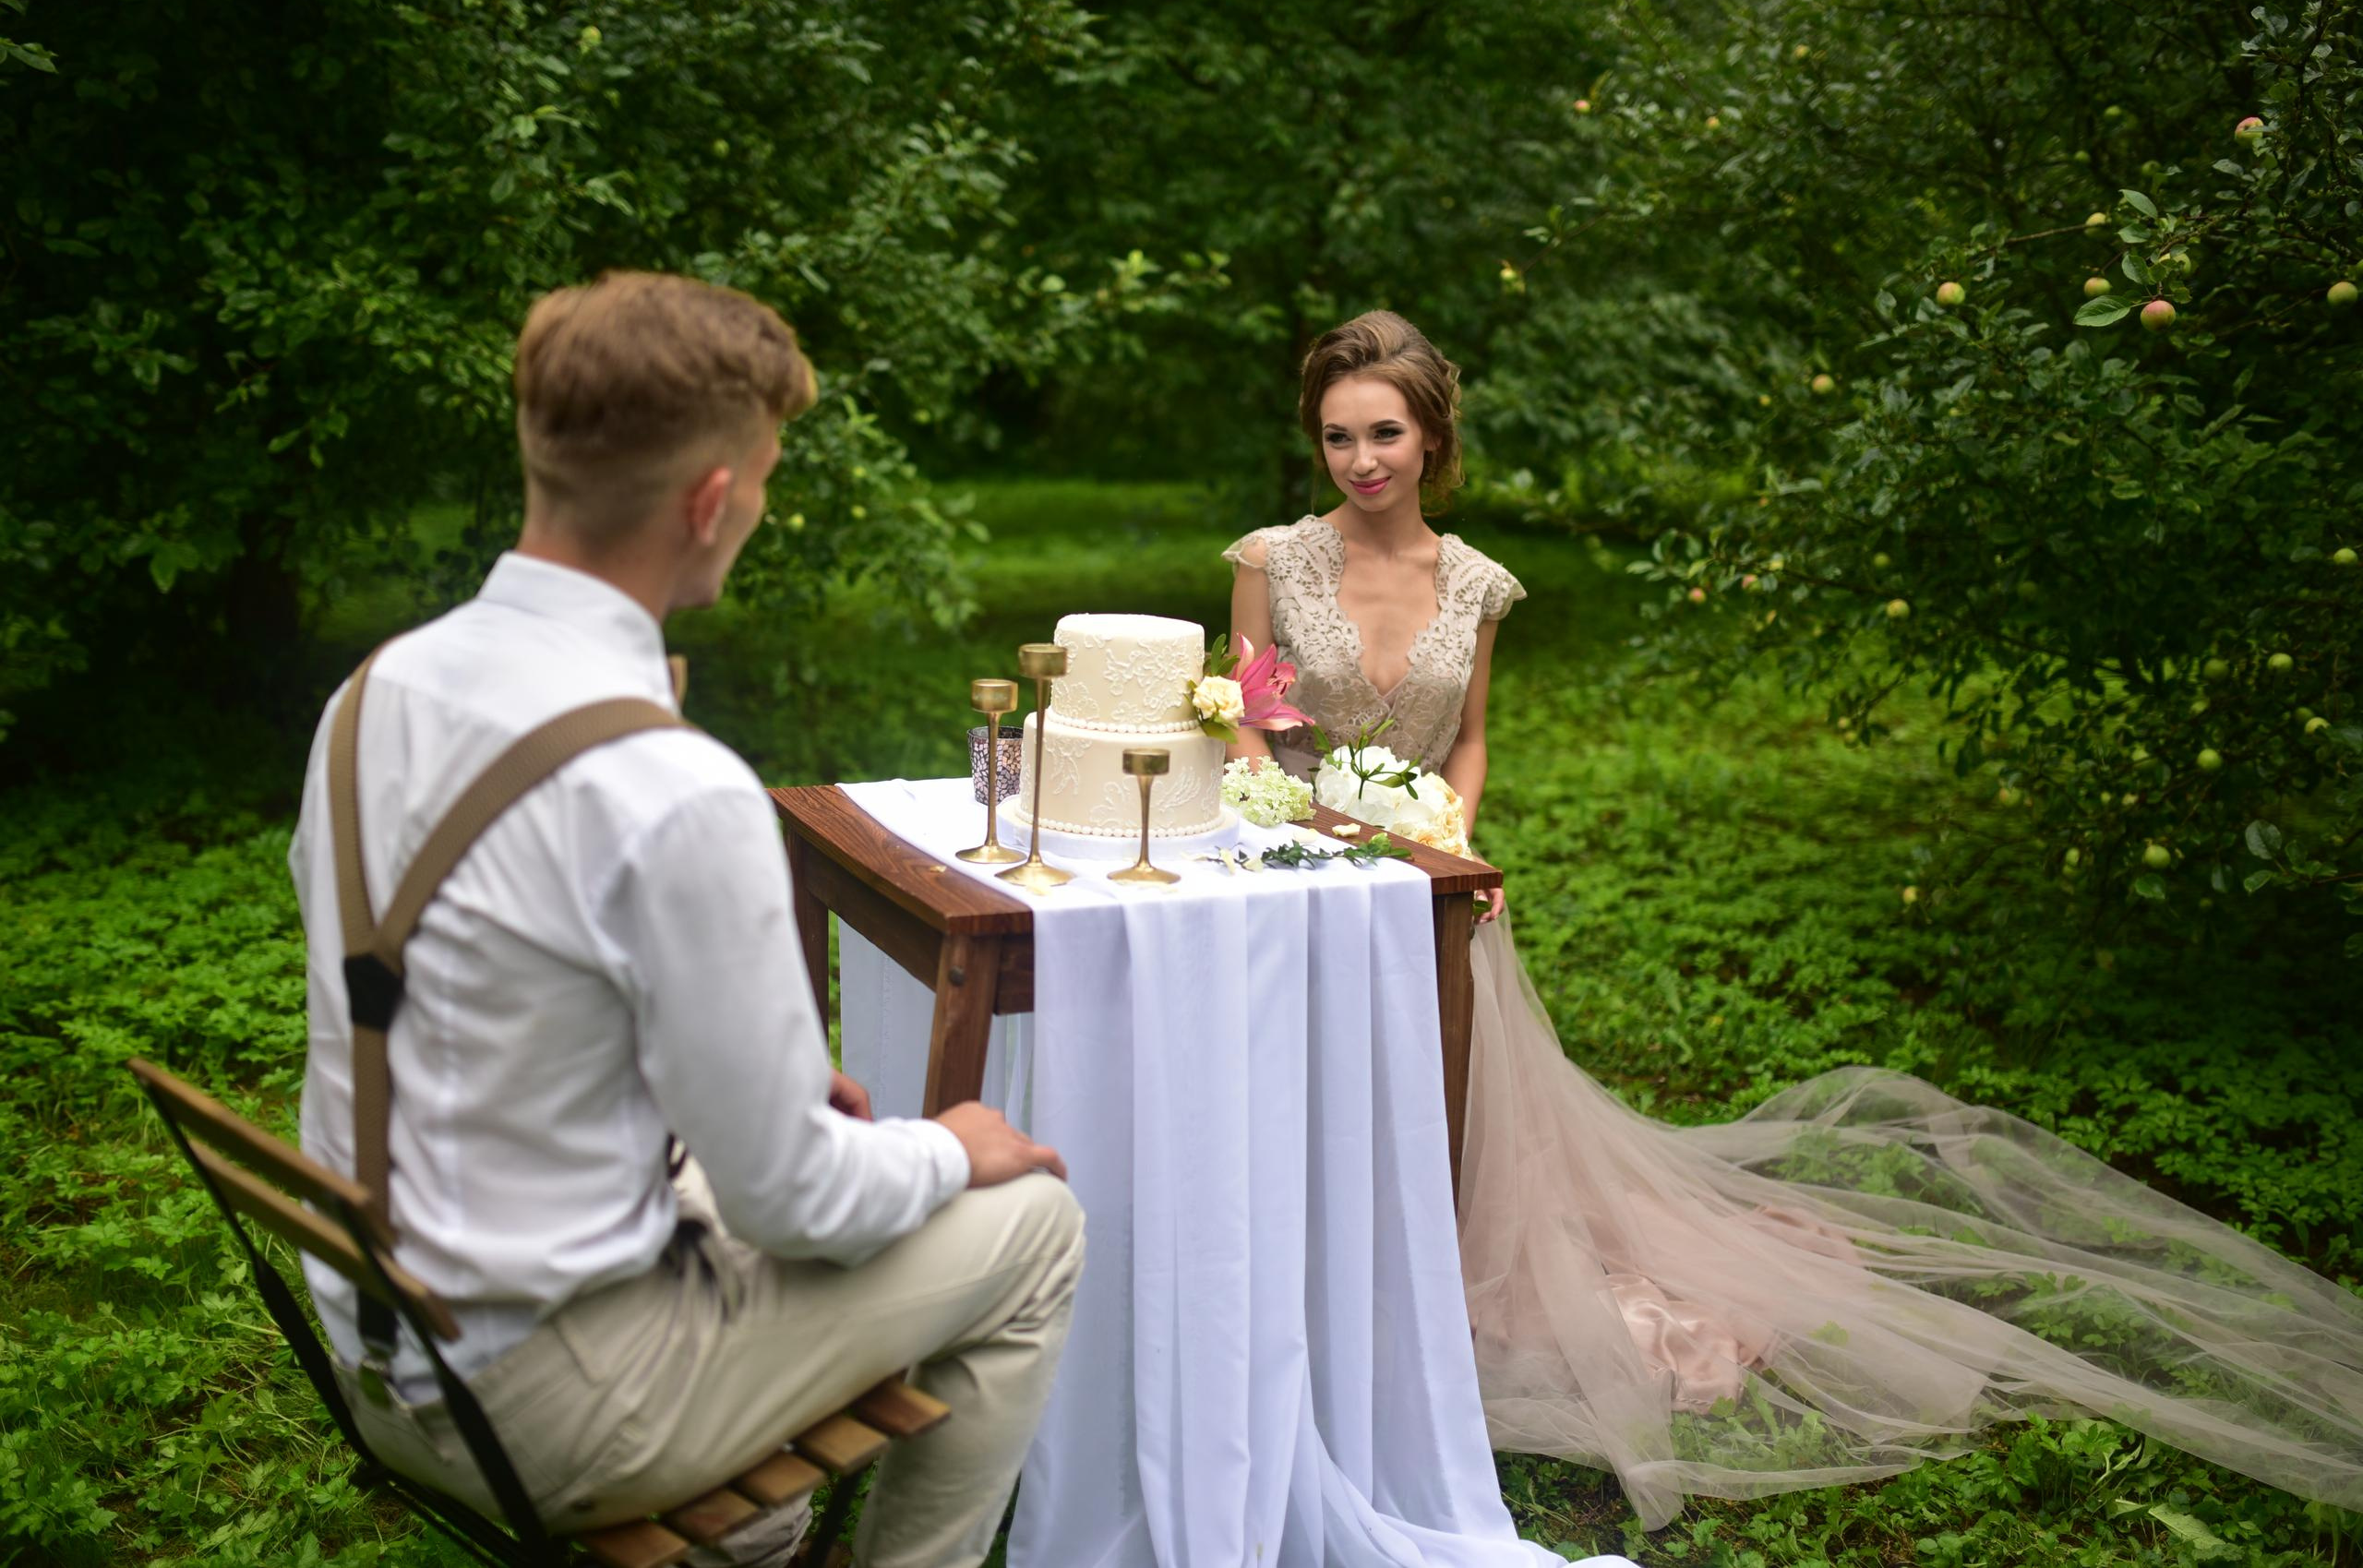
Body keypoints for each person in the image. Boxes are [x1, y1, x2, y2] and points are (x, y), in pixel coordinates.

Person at [1225, 310, 2363, 1529]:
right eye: (1339, 437)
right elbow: (1246, 717)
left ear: (1432, 433)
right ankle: (1292, 1290)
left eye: (1385, 431)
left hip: (1444, 888)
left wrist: (1451, 839)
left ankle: (1408, 1296)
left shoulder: (1479, 585)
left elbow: (1471, 740)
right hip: (1295, 869)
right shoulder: (1272, 562)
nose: (1362, 459)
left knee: (1447, 1111)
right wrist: (1310, 827)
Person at [290, 271, 1084, 1568]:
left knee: (774, 1144)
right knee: (1034, 1226)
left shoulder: (374, 693)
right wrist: (954, 1146)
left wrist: (716, 1082)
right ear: (712, 500)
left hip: (383, 1341)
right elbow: (797, 1204)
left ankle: (749, 1532)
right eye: (765, 477)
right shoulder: (671, 788)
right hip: (537, 1403)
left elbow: (470, 1000)